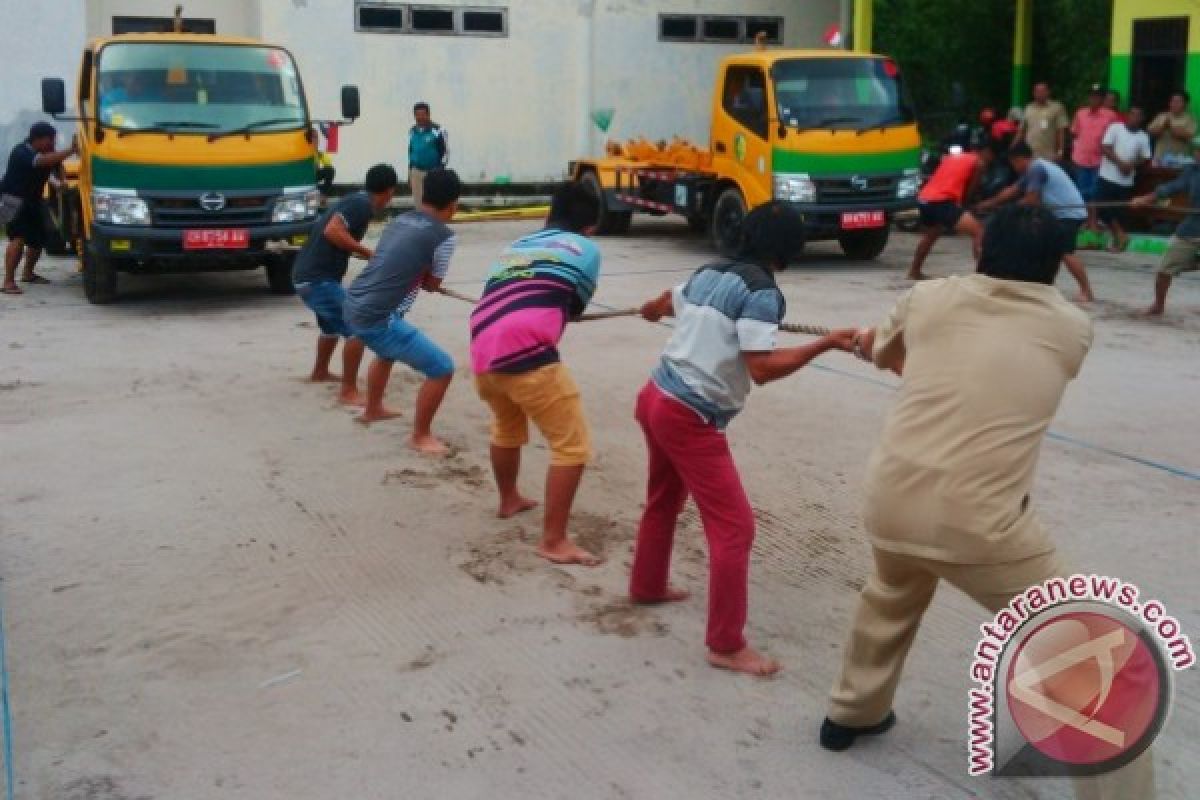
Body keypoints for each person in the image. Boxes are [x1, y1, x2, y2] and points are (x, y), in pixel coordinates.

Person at [820, 204, 1155, 800]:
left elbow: (892, 355)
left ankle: (851, 713)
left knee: (892, 592)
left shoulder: (927, 300)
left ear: (979, 250)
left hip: (890, 499)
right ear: (1056, 266)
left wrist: (873, 342)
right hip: (977, 526)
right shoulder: (1070, 327)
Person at [629, 202, 857, 677]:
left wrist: (651, 309)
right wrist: (824, 343)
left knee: (663, 499)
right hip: (689, 415)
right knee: (735, 529)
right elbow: (763, 368)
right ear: (790, 248)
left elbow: (663, 303)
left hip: (654, 395)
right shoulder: (762, 294)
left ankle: (648, 585)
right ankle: (726, 645)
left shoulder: (710, 271)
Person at [470, 183, 604, 567]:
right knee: (572, 446)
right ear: (590, 227)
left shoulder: (517, 245)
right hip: (527, 353)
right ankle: (553, 540)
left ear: (549, 214)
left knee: (507, 426)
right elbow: (575, 307)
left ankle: (508, 499)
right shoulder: (587, 250)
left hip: (482, 346)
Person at [343, 168, 462, 453]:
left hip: (352, 302)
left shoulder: (399, 220)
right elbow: (432, 283)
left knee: (386, 352)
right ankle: (420, 436)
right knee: (442, 368)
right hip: (376, 316)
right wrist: (426, 279)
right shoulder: (444, 237)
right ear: (454, 204)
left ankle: (373, 409)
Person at [293, 163, 398, 400]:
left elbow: (335, 234)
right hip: (318, 279)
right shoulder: (362, 205)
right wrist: (370, 253)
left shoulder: (354, 200)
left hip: (307, 275)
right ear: (389, 191)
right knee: (357, 329)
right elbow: (333, 231)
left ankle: (320, 372)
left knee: (330, 327)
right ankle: (348, 391)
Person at [976, 142, 1095, 303]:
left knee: (1066, 253)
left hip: (1068, 213)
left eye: (1013, 163)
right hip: (1059, 213)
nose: (1014, 168)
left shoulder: (1036, 169)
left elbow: (1032, 200)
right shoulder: (1033, 169)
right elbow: (1012, 191)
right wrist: (989, 203)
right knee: (1044, 249)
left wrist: (1004, 210)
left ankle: (1086, 291)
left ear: (1018, 159)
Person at [1, 123, 76, 295]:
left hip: (33, 200)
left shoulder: (46, 153)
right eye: (50, 140)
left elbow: (54, 168)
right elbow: (40, 163)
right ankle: (8, 281)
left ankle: (28, 274)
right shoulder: (21, 152)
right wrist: (71, 151)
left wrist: (59, 183)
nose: (52, 143)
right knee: (18, 238)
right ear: (38, 139)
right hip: (13, 200)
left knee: (38, 239)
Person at [1132, 134, 1200, 315]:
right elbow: (1172, 188)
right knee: (1165, 268)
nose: (1198, 154)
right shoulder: (1192, 171)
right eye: (1197, 150)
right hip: (1192, 227)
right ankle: (1158, 305)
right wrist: (1146, 199)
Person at [908, 143, 993, 280]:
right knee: (979, 232)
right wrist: (966, 205)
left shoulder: (952, 157)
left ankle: (914, 271)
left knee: (930, 235)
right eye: (991, 156)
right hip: (942, 200)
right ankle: (981, 277)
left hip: (925, 199)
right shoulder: (979, 162)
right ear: (986, 151)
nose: (991, 160)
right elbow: (971, 190)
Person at [1096, 106, 1151, 252]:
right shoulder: (1115, 128)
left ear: (1142, 119)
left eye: (1138, 115)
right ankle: (1120, 235)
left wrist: (1131, 165)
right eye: (1132, 114)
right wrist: (1120, 163)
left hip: (1125, 180)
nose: (1134, 118)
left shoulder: (1143, 136)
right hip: (1107, 175)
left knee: (1119, 212)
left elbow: (1145, 157)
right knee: (1102, 207)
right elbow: (1105, 147)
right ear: (1128, 115)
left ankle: (1117, 240)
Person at [1070, 84, 1119, 230]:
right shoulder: (1080, 113)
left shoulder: (1110, 116)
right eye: (1091, 96)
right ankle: (1085, 221)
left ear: (1102, 99)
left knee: (1095, 193)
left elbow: (1115, 138)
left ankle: (1094, 222)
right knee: (1082, 192)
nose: (1094, 99)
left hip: (1099, 161)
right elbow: (1074, 132)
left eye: (1097, 97)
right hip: (1081, 158)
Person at [407, 102, 448, 207]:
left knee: (433, 204)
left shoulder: (438, 130)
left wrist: (440, 170)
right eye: (417, 115)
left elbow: (445, 152)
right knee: (419, 204)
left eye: (422, 114)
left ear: (428, 115)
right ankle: (422, 222)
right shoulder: (412, 131)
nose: (419, 117)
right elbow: (411, 151)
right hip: (416, 172)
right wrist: (409, 173)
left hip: (433, 173)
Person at [1016, 81, 1069, 161]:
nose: (1040, 94)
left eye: (1042, 91)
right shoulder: (1028, 108)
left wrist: (1060, 151)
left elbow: (1060, 131)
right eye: (1037, 91)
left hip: (1048, 155)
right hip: (1029, 155)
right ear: (1033, 93)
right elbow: (1021, 131)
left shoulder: (1057, 108)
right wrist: (1013, 148)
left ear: (1048, 92)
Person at [1147, 90, 1197, 165]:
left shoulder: (1191, 119)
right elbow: (1151, 132)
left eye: (1178, 102)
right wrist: (1163, 127)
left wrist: (1169, 126)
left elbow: (1187, 136)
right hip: (1159, 158)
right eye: (1172, 101)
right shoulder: (1161, 116)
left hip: (1180, 160)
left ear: (1185, 104)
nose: (1174, 104)